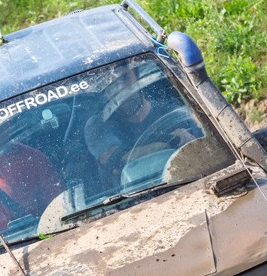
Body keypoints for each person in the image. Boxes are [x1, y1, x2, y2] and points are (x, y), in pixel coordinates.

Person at [84, 60, 197, 190]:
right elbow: (114, 158)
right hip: (128, 198)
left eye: (125, 78)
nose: (120, 88)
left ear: (137, 78)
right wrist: (168, 142)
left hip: (186, 185)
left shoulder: (174, 114)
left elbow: (203, 149)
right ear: (106, 90)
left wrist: (188, 140)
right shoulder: (98, 125)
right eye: (112, 84)